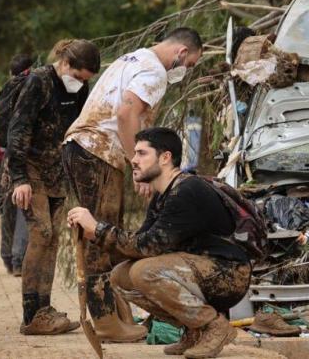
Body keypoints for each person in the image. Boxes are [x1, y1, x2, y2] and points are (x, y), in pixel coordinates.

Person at [62, 27, 203, 342]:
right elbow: (127, 113)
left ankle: (117, 313)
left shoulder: (134, 57)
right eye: (190, 64)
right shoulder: (154, 71)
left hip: (84, 147)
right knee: (99, 233)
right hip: (97, 149)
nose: (187, 70)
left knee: (104, 230)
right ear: (181, 53)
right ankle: (106, 323)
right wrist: (137, 161)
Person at [67, 127, 251, 358]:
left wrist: (99, 228)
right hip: (197, 270)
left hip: (229, 273)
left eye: (142, 153)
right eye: (134, 153)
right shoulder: (163, 194)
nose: (133, 160)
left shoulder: (186, 191)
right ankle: (193, 330)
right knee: (120, 277)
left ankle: (214, 326)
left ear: (165, 157)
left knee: (144, 272)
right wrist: (93, 234)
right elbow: (138, 246)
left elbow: (148, 247)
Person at [7, 40, 100, 335]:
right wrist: (19, 178)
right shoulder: (39, 81)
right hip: (30, 169)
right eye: (79, 76)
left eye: (86, 80)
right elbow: (18, 129)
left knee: (54, 239)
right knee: (41, 233)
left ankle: (45, 309)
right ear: (66, 64)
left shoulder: (79, 88)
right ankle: (30, 314)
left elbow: (78, 129)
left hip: (57, 171)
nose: (80, 83)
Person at [0, 54, 35, 276]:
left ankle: (8, 258)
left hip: (6, 162)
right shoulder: (35, 90)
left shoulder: (3, 92)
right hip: (28, 159)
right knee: (24, 208)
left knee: (9, 210)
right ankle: (19, 259)